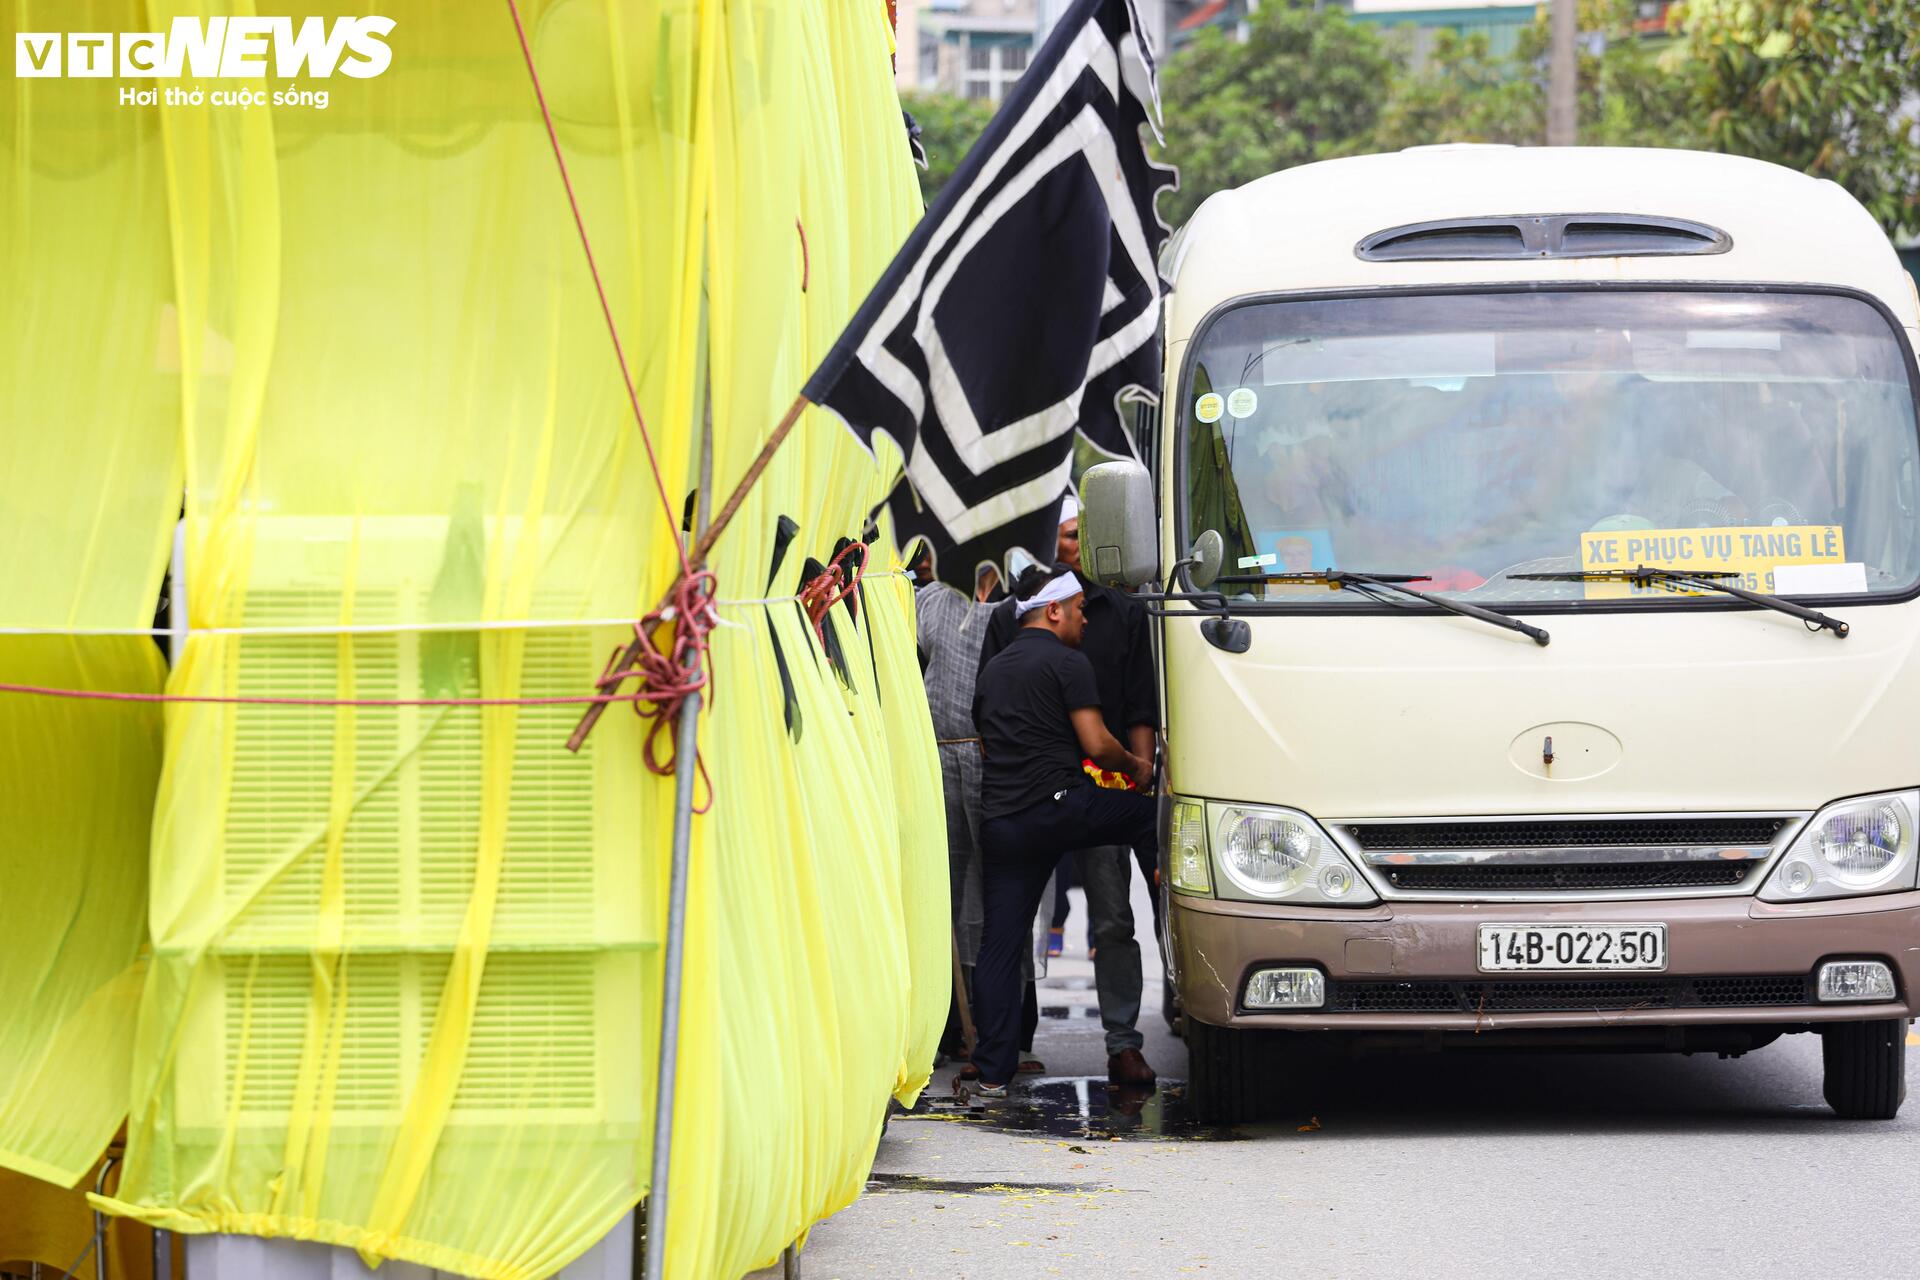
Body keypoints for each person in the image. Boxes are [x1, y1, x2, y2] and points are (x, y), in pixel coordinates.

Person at [978, 496, 1160, 1087]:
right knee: (1150, 821)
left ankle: (1003, 1064)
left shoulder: (1117, 614)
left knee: (1066, 929)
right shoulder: (1051, 647)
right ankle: (1165, 883)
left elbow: (1138, 705)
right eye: (1078, 611)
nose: (1085, 619)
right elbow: (1096, 741)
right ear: (1054, 611)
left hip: (1017, 811)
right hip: (1065, 800)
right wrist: (1136, 771)